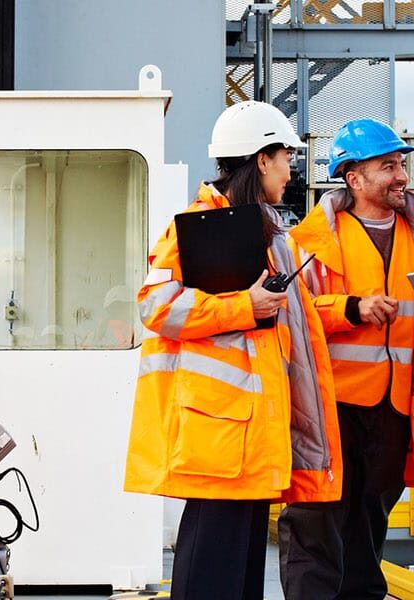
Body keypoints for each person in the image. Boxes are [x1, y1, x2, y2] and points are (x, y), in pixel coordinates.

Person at [123, 100, 343, 600]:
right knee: (211, 579)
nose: (291, 169)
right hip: (218, 441)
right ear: (261, 160)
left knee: (238, 583)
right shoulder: (199, 222)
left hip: (250, 439)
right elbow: (155, 304)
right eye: (286, 157)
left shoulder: (268, 234)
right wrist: (245, 305)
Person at [278, 118, 414, 600]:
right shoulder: (310, 243)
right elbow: (289, 315)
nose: (401, 176)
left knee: (368, 530)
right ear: (354, 178)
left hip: (395, 411)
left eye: (401, 164)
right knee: (315, 524)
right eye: (388, 166)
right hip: (329, 410)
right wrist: (349, 308)